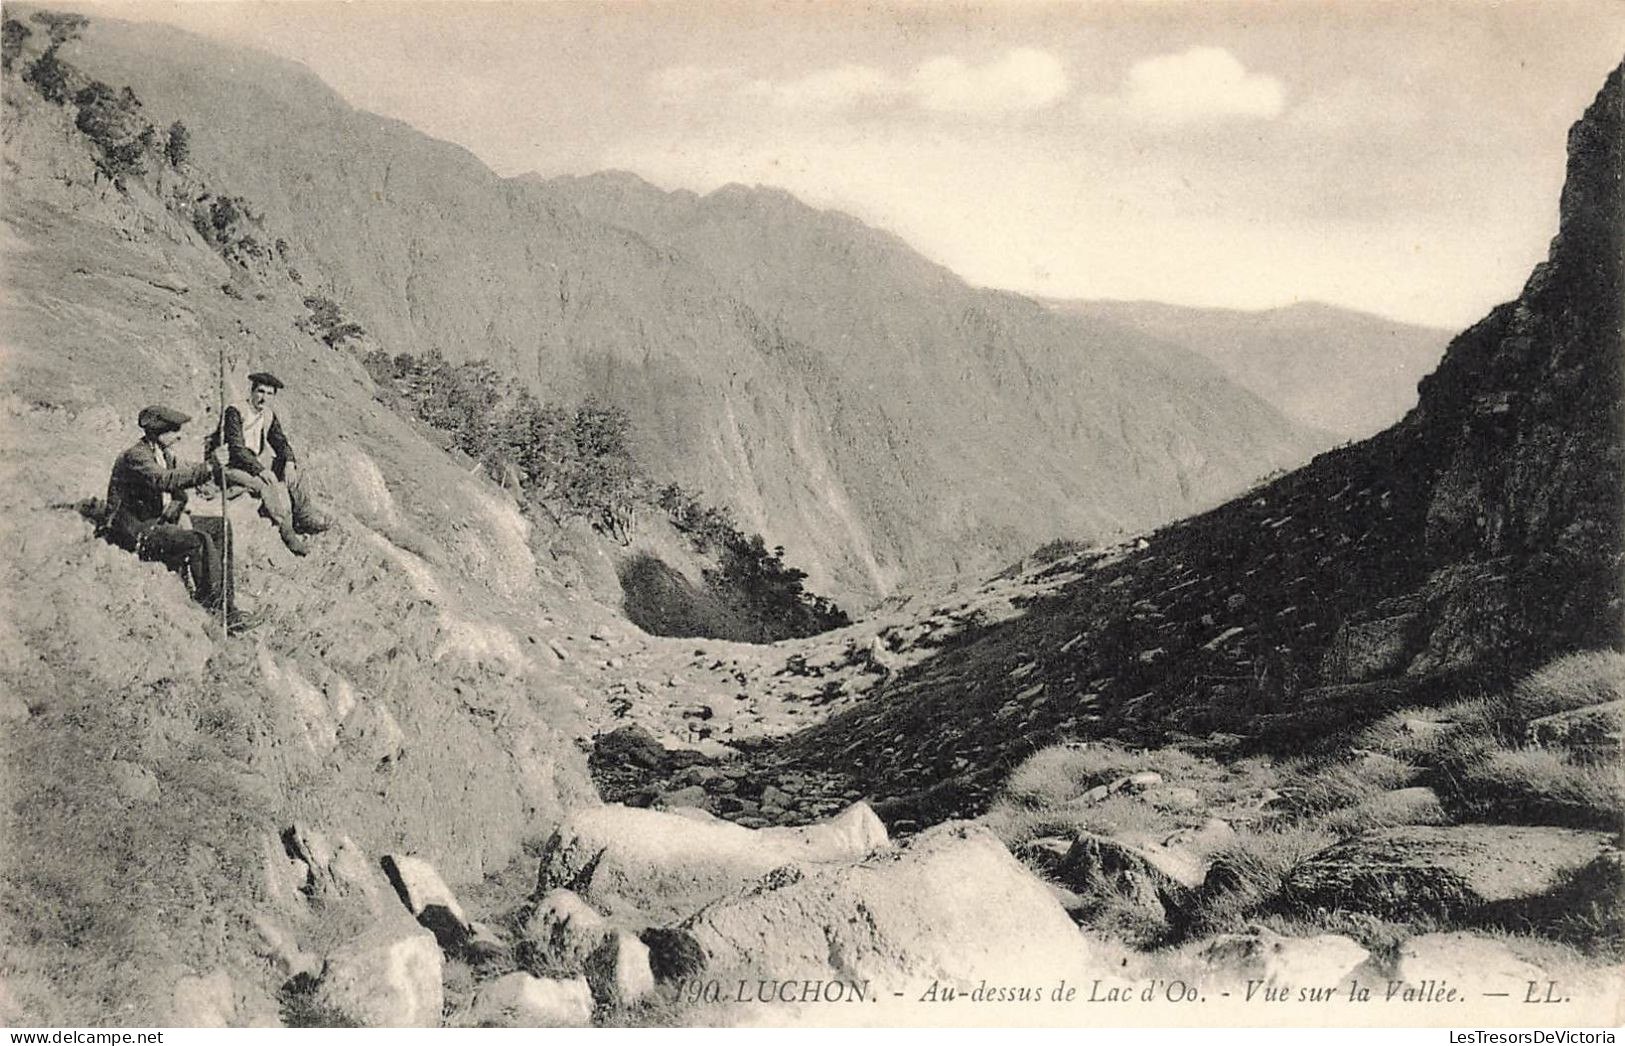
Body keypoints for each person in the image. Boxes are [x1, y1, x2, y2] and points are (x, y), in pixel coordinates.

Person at [100, 405, 255, 633]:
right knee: (198, 540)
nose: (179, 435)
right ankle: (214, 605)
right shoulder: (136, 456)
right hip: (137, 531)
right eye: (173, 430)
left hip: (159, 520)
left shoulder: (165, 455)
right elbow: (164, 480)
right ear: (156, 431)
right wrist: (209, 466)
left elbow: (188, 471)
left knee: (220, 526)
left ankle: (226, 604)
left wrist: (217, 468)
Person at [207, 370, 329, 556]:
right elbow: (236, 448)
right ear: (252, 391)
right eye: (261, 392)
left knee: (297, 471)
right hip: (232, 464)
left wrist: (288, 461)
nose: (264, 398)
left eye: (269, 394)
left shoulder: (268, 415)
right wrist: (261, 470)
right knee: (265, 484)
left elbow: (280, 441)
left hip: (254, 462)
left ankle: (303, 516)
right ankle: (287, 530)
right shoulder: (235, 411)